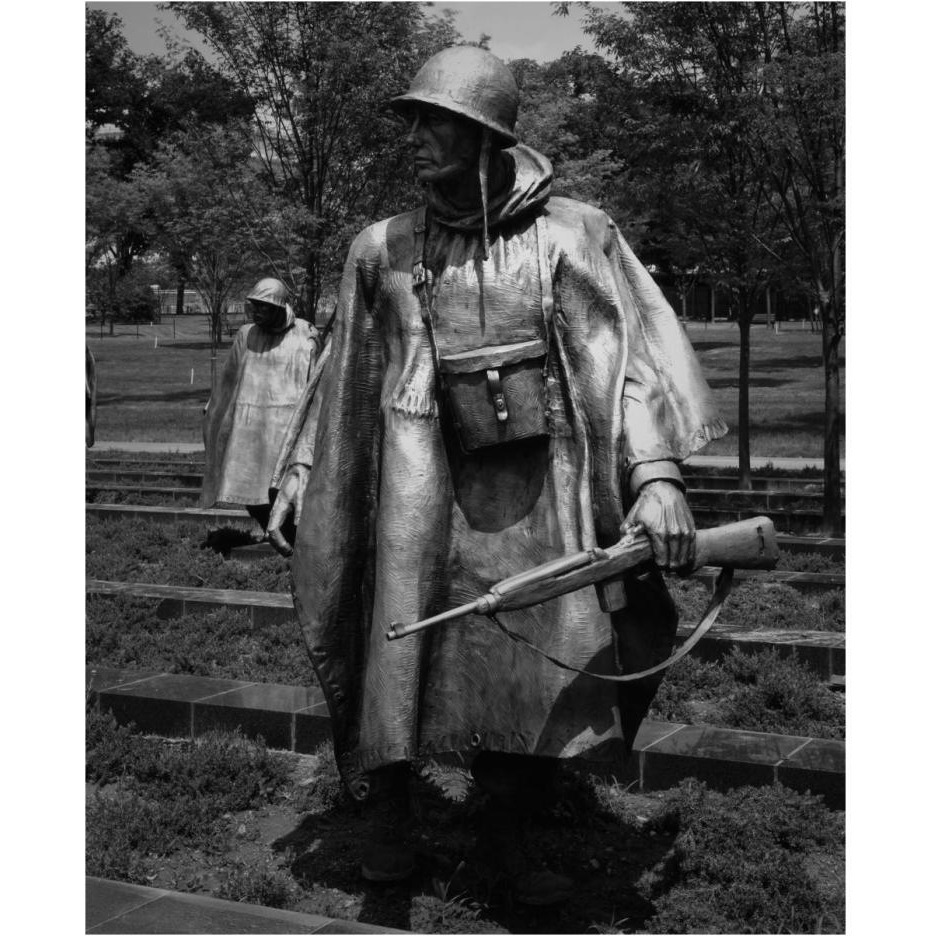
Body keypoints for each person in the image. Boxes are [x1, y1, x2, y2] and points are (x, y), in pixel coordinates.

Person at [268, 46, 727, 903]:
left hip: (541, 483)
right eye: (412, 120)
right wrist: (301, 470)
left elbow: (618, 357)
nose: (416, 138)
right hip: (413, 475)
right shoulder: (381, 250)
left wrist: (656, 470)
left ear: (484, 133)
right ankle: (390, 818)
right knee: (397, 638)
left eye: (435, 122)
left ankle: (507, 836)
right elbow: (341, 375)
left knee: (538, 651)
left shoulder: (572, 235)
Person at [200, 278, 319, 543]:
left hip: (287, 423)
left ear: (279, 306)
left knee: (282, 484)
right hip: (249, 422)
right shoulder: (246, 334)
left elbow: (317, 382)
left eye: (264, 306)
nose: (257, 311)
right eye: (254, 305)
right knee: (244, 484)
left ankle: (288, 534)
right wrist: (214, 408)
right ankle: (269, 527)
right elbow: (228, 379)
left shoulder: (305, 333)